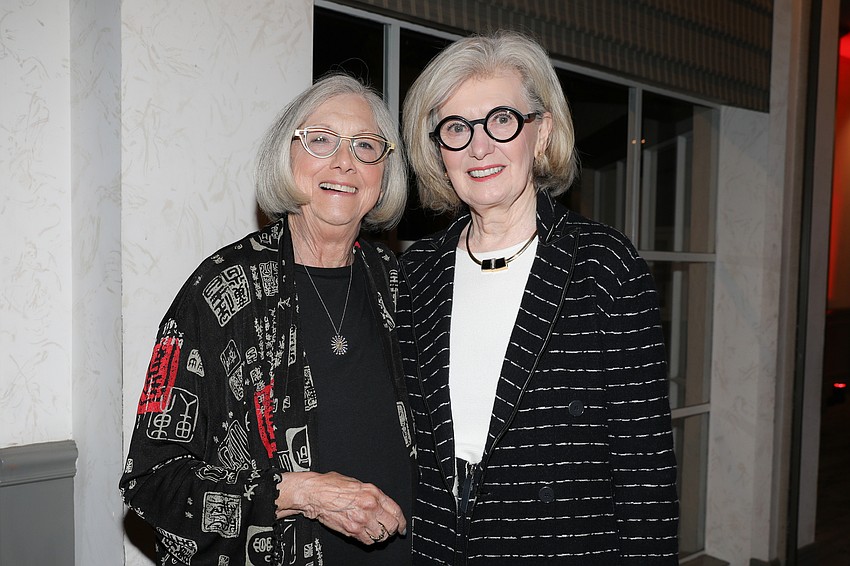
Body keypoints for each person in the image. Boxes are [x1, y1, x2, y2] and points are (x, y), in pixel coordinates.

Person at [398, 30, 679, 564]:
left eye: (501, 120)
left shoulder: (604, 266)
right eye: (456, 128)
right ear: (437, 150)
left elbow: (646, 473)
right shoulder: (416, 271)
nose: (479, 147)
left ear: (542, 132)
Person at [120, 74, 415, 566]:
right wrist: (300, 493)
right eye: (321, 141)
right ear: (286, 155)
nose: (345, 161)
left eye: (366, 146)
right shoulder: (218, 292)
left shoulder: (403, 288)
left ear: (384, 171)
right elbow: (153, 484)